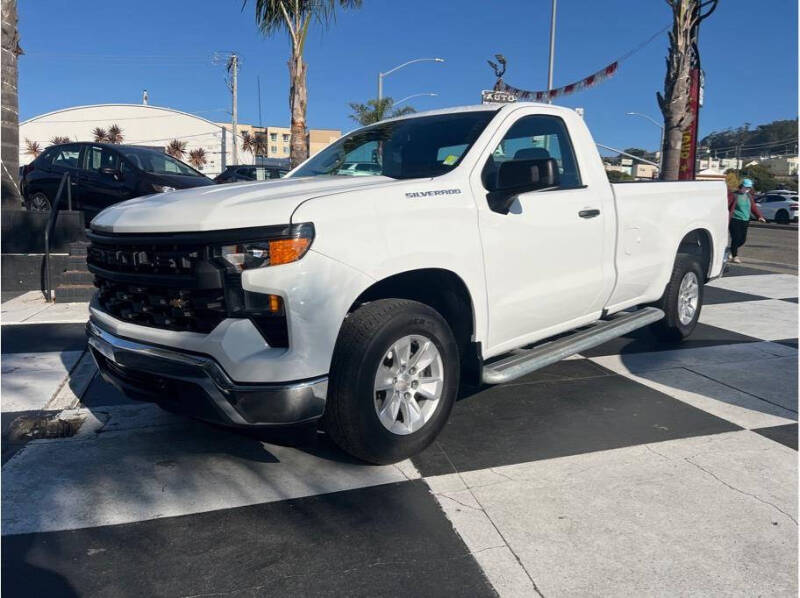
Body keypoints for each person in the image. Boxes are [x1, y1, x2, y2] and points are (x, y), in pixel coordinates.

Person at [727, 178, 765, 263]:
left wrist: (759, 216)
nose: (747, 189)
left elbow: (753, 207)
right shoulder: (734, 195)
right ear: (741, 186)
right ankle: (735, 256)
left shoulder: (748, 196)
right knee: (736, 238)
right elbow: (727, 205)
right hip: (735, 219)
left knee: (742, 240)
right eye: (746, 187)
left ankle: (731, 250)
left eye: (749, 188)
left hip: (745, 220)